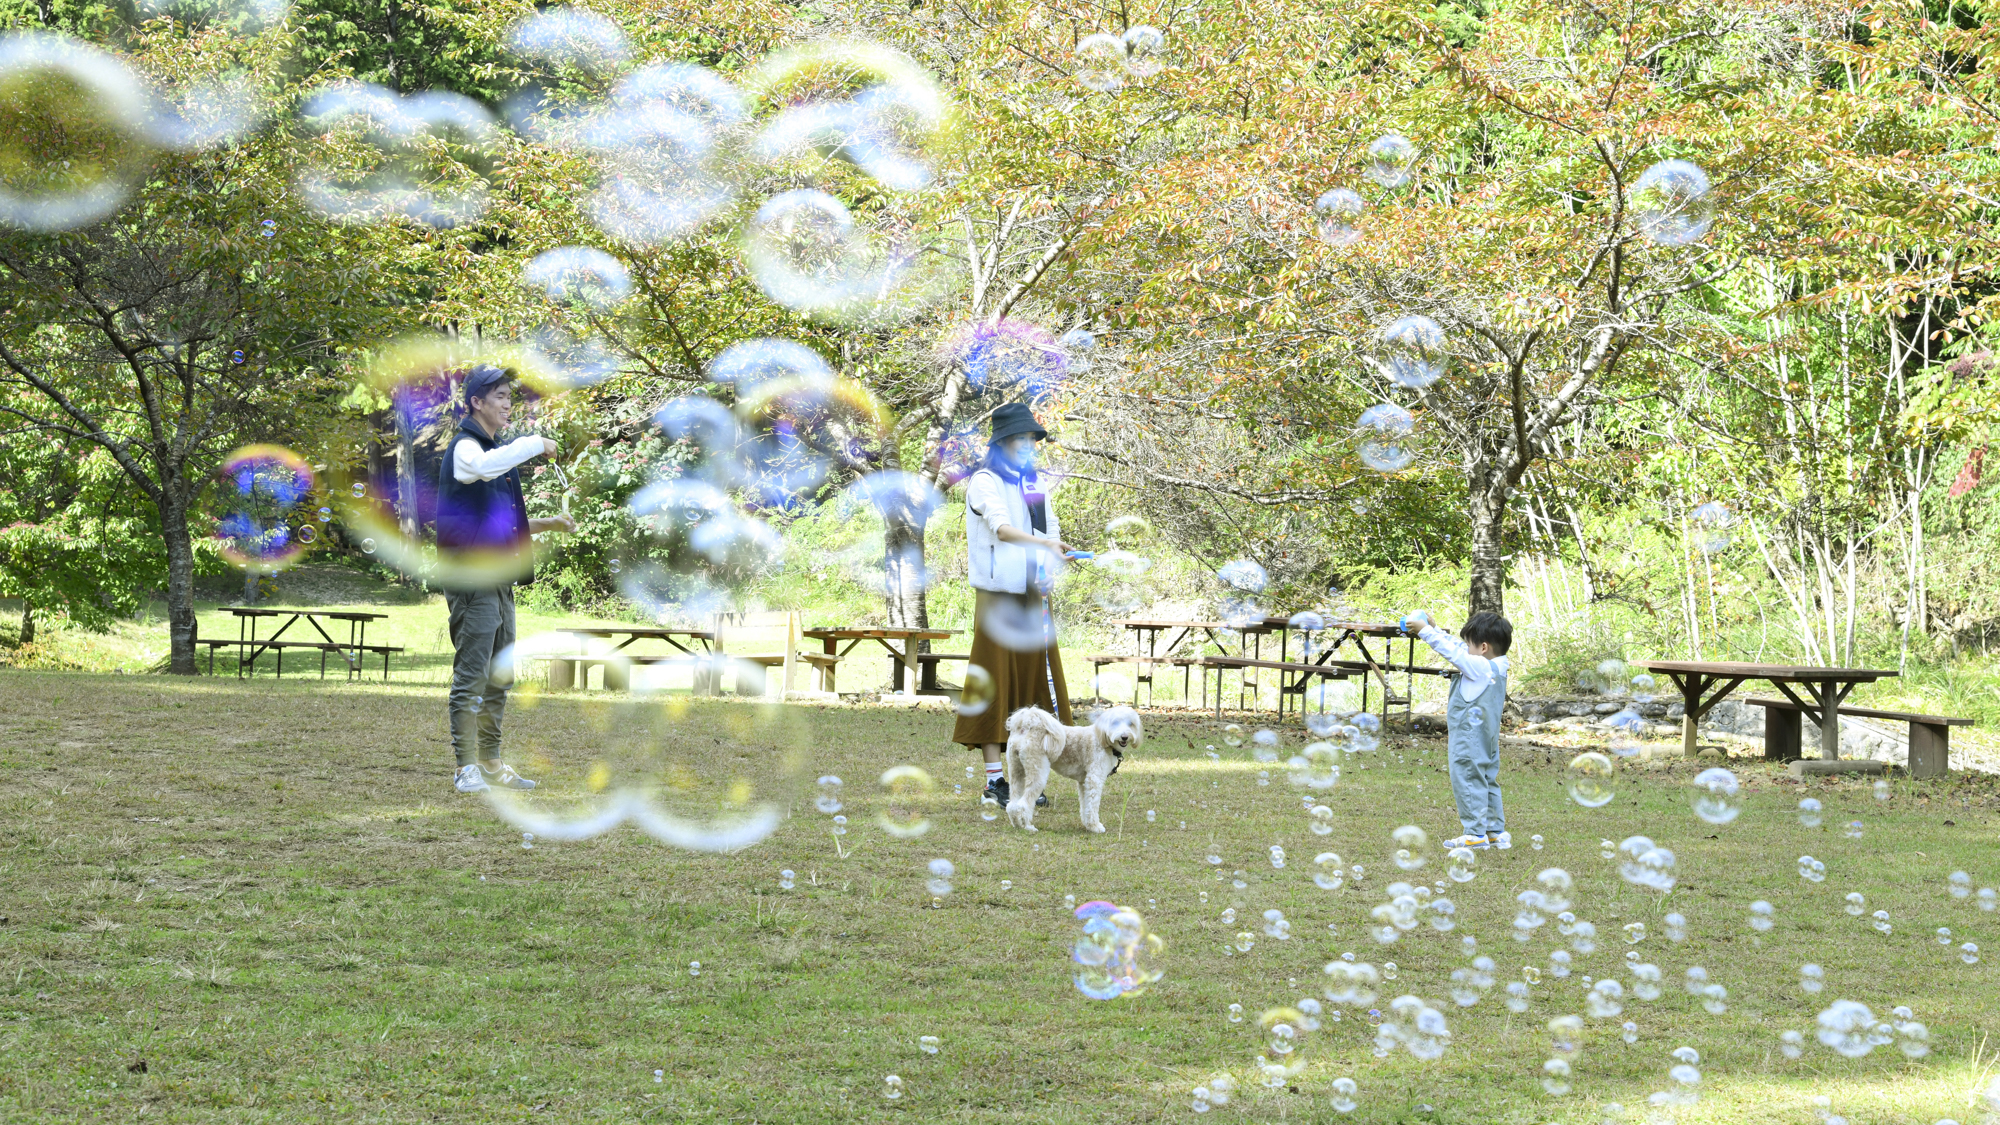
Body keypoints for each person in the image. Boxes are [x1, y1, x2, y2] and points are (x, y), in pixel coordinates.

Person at [436, 365, 575, 794]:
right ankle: (465, 769)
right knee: (473, 674)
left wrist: (549, 523)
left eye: (509, 397)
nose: (507, 403)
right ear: (476, 402)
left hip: (499, 579)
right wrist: (535, 443)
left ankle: (492, 765)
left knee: (499, 675)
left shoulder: (495, 456)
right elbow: (483, 468)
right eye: (499, 396)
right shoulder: (466, 449)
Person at [952, 402, 1074, 806]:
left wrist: (1055, 557)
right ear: (1001, 442)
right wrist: (1044, 544)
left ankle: (1026, 780)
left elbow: (1049, 531)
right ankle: (994, 782)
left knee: (1034, 685)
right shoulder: (984, 481)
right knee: (995, 684)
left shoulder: (1033, 483)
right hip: (998, 594)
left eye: (1031, 440)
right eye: (1020, 439)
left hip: (1033, 592)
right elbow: (1003, 529)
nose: (1027, 446)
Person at [1402, 609, 1513, 850]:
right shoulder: (1496, 665)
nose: (1466, 648)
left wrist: (1425, 632)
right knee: (1486, 778)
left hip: (1469, 738)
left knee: (1467, 778)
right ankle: (1495, 831)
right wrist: (1436, 629)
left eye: (1470, 645)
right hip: (1487, 737)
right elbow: (1461, 650)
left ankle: (1474, 834)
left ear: (1483, 648)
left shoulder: (1479, 667)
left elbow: (1454, 653)